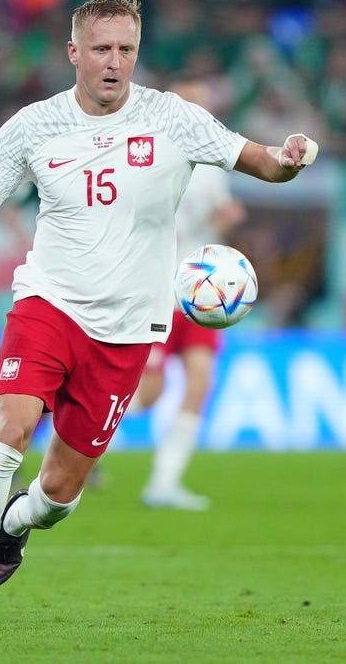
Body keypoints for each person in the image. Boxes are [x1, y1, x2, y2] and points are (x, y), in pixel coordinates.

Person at [0, 0, 317, 635]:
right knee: (11, 429)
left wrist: (290, 158)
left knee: (59, 496)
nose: (113, 62)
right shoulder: (32, 126)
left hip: (129, 330)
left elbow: (261, 162)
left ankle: (15, 524)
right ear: (74, 52)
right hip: (48, 305)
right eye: (101, 49)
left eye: (125, 49)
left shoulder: (174, 118)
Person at [133, 80, 247, 512]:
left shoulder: (216, 163)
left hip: (200, 294)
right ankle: (61, 425)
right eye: (193, 104)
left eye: (206, 104)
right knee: (148, 395)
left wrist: (226, 220)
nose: (203, 112)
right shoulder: (152, 157)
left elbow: (216, 223)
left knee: (200, 382)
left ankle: (164, 482)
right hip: (157, 288)